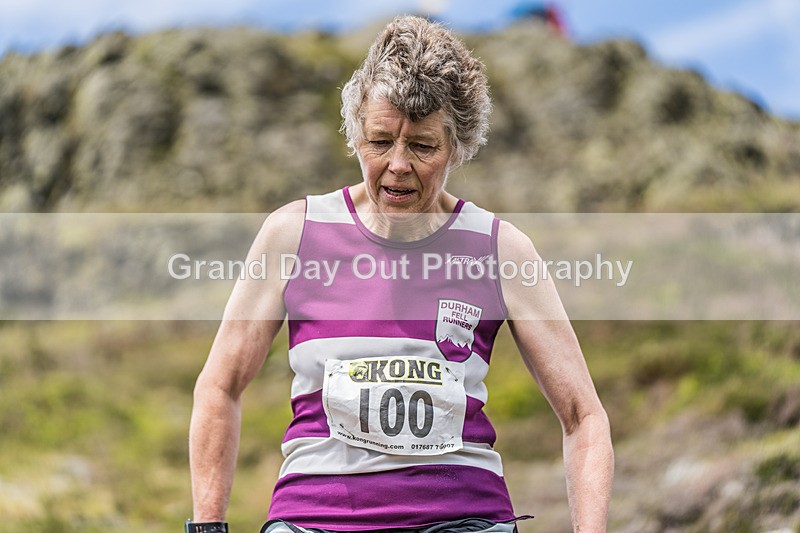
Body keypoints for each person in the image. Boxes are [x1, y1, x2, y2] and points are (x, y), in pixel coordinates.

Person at [188, 15, 613, 533]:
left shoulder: (502, 250)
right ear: (355, 133)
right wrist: (207, 527)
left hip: (464, 519)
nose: (397, 165)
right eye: (380, 141)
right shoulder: (293, 235)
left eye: (423, 146)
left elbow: (583, 417)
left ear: (459, 145)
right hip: (314, 521)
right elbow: (220, 386)